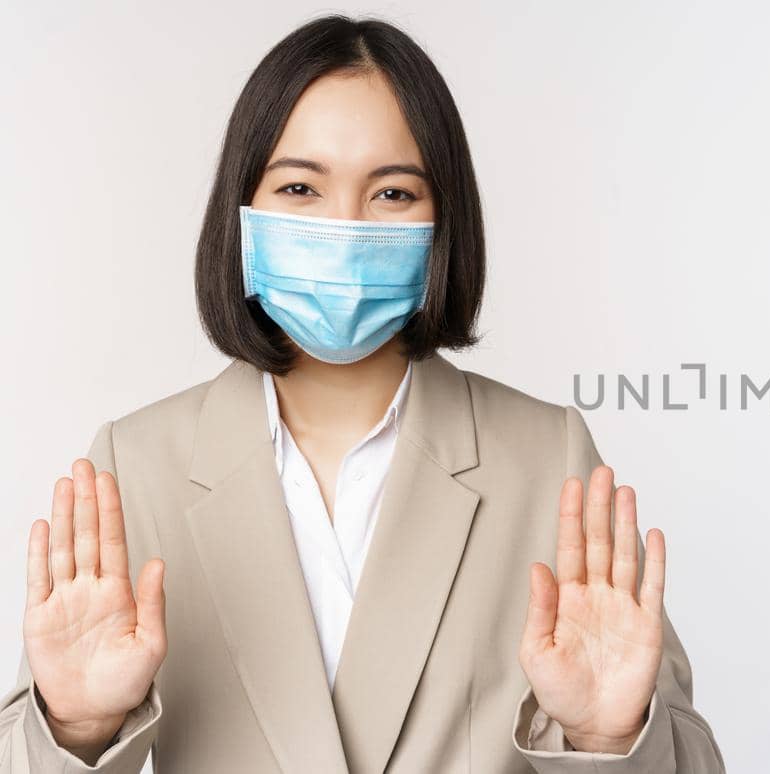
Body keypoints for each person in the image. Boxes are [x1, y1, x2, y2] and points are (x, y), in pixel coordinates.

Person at [0, 15, 725, 774]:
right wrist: (74, 727)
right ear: (241, 215)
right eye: (300, 187)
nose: (344, 228)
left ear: (444, 221)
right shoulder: (137, 465)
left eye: (392, 192)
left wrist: (609, 740)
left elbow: (694, 759)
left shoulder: (547, 458)